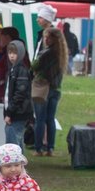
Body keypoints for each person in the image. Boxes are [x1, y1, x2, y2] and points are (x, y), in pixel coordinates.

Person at [31, 26, 68, 156]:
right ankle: (50, 148)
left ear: (53, 39)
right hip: (56, 89)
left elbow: (34, 65)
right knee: (50, 119)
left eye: (48, 37)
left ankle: (38, 148)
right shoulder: (62, 54)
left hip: (43, 88)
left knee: (40, 119)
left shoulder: (46, 54)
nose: (45, 40)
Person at [3, 39, 33, 147]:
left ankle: (17, 163)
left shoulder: (21, 70)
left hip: (18, 113)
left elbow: (19, 94)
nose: (11, 56)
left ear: (20, 53)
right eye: (10, 53)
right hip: (14, 112)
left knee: (13, 142)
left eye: (15, 53)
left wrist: (9, 112)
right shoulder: (12, 69)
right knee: (16, 141)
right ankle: (19, 163)